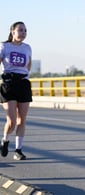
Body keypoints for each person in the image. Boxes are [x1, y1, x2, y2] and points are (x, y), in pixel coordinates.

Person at [0, 21, 33, 161]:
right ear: (12, 31)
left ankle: (18, 150)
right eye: (20, 30)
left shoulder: (27, 48)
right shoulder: (4, 46)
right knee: (12, 120)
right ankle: (5, 140)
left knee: (22, 119)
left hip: (23, 84)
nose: (23, 33)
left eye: (25, 30)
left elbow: (28, 66)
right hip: (8, 85)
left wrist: (22, 76)